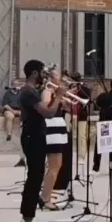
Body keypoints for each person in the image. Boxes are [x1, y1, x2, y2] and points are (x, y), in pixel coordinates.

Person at [18, 60, 60, 222]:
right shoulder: (28, 92)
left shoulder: (31, 91)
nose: (44, 76)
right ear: (34, 73)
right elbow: (48, 113)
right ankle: (28, 219)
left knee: (35, 175)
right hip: (33, 136)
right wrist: (59, 96)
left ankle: (27, 215)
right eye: (42, 72)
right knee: (35, 176)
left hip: (34, 135)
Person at [40, 67, 71, 209]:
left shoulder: (54, 92)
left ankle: (47, 194)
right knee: (54, 165)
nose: (61, 78)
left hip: (58, 128)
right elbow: (47, 108)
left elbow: (65, 108)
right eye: (58, 76)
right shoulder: (47, 91)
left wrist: (63, 100)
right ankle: (45, 198)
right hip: (52, 129)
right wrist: (58, 98)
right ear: (51, 78)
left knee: (57, 165)